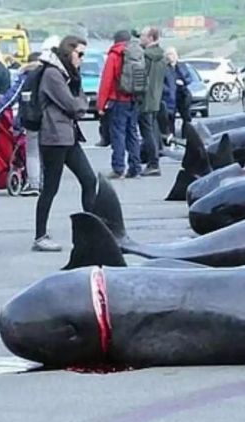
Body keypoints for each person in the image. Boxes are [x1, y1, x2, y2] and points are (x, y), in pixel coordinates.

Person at [33, 35, 96, 252]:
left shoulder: (67, 74)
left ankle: (92, 231)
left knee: (89, 179)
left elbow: (77, 104)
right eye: (80, 54)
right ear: (69, 52)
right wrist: (81, 103)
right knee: (50, 187)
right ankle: (40, 236)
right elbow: (74, 105)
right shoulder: (52, 74)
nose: (82, 58)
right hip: (54, 138)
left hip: (67, 136)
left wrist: (80, 102)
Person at [0, 51, 43, 196]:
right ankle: (46, 183)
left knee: (32, 153)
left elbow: (10, 97)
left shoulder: (26, 77)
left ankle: (34, 183)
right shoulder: (50, 75)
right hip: (52, 121)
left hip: (31, 120)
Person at [97, 30, 141, 179]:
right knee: (133, 133)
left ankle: (118, 168)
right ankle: (135, 167)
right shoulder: (136, 54)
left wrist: (100, 105)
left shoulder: (114, 55)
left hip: (118, 100)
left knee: (118, 134)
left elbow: (106, 81)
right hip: (134, 99)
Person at [137, 26, 166, 177]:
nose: (140, 38)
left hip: (145, 100)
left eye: (143, 36)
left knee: (147, 132)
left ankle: (153, 163)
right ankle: (153, 161)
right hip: (155, 99)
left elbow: (141, 79)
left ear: (150, 38)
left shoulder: (146, 56)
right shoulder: (162, 56)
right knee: (152, 131)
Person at [160, 47, 194, 142]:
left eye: (173, 54)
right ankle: (172, 140)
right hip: (170, 96)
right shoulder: (164, 68)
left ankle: (186, 138)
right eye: (169, 54)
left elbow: (189, 78)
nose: (172, 56)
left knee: (187, 118)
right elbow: (161, 83)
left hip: (182, 95)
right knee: (170, 119)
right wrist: (169, 88)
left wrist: (183, 82)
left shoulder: (181, 66)